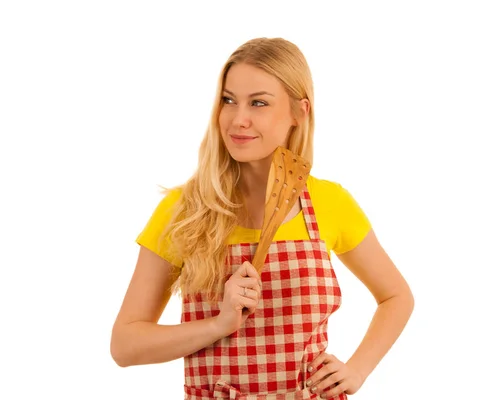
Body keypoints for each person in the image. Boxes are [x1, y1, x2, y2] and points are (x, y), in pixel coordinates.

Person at [110, 37, 414, 400]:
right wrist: (219, 325)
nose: (239, 120)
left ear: (299, 113)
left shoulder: (329, 202)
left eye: (259, 103)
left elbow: (396, 296)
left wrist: (357, 369)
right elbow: (125, 345)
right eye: (228, 100)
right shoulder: (184, 210)